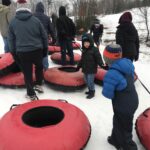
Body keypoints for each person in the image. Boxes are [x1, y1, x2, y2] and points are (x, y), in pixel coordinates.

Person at [8, 0, 48, 100]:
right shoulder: (36, 20)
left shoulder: (13, 22)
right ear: (28, 8)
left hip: (22, 52)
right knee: (39, 67)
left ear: (17, 8)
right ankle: (39, 84)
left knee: (27, 72)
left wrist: (13, 51)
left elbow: (11, 39)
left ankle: (30, 93)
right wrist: (45, 48)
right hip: (37, 50)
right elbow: (44, 36)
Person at [102, 44, 139, 150]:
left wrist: (108, 80)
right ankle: (115, 139)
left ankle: (129, 146)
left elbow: (108, 94)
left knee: (125, 126)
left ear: (106, 58)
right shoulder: (127, 63)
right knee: (118, 120)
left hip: (123, 105)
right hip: (132, 100)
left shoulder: (111, 74)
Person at [76, 33, 104, 99]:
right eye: (85, 43)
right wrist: (78, 66)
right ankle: (90, 90)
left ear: (91, 42)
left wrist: (102, 65)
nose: (86, 44)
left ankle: (92, 92)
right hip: (85, 69)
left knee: (90, 81)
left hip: (92, 69)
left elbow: (99, 58)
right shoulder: (84, 50)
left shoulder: (94, 50)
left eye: (87, 43)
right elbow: (82, 60)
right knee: (86, 80)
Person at [34, 2, 56, 70]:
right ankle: (46, 71)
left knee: (35, 56)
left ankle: (37, 73)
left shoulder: (32, 17)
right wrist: (54, 39)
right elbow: (51, 30)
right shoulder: (47, 18)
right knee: (45, 56)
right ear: (43, 9)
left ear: (36, 8)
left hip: (34, 41)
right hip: (44, 41)